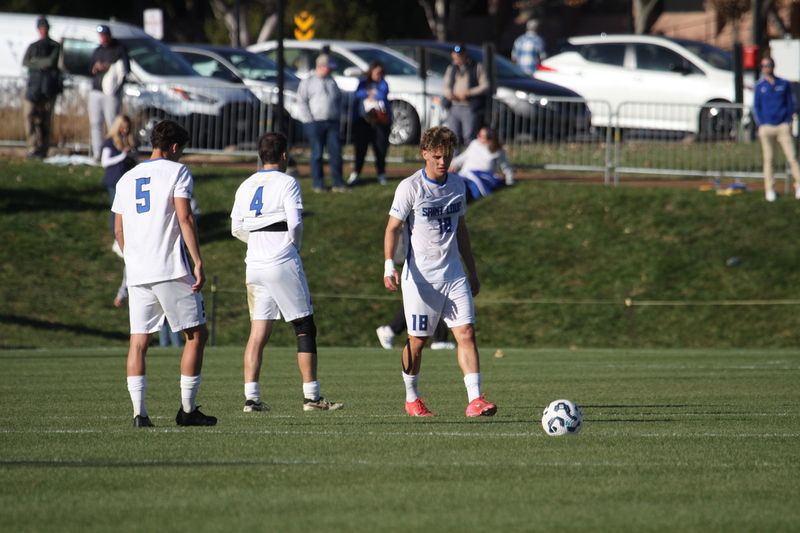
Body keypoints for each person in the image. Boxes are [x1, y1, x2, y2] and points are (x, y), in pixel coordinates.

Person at [383, 125, 497, 418]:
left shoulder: (458, 185)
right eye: (436, 156)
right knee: (417, 342)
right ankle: (412, 399)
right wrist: (388, 266)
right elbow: (393, 228)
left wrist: (472, 271)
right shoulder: (410, 187)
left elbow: (462, 231)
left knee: (467, 334)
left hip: (454, 275)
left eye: (447, 156)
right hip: (420, 279)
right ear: (424, 154)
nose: (443, 162)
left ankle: (475, 400)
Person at [112, 120, 216, 428]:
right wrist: (197, 260)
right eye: (181, 150)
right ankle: (187, 410)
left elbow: (118, 228)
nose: (181, 156)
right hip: (169, 266)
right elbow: (184, 217)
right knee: (196, 334)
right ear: (173, 147)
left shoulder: (127, 178)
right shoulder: (177, 171)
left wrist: (132, 257)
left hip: (138, 270)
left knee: (138, 342)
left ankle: (139, 414)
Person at [230, 132, 344, 413]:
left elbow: (236, 228)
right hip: (280, 259)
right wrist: (293, 246)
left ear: (260, 155)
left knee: (258, 331)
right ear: (284, 155)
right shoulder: (287, 181)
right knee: (303, 326)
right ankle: (312, 397)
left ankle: (251, 398)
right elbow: (294, 223)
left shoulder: (245, 184)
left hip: (253, 263)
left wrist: (257, 242)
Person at [297, 53, 348, 193]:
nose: (331, 70)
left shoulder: (332, 81)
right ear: (320, 66)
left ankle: (338, 183)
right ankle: (318, 184)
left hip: (332, 122)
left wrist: (338, 116)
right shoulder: (307, 82)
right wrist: (309, 119)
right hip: (315, 123)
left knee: (336, 153)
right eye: (328, 67)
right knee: (317, 154)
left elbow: (338, 99)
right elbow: (302, 101)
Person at [753, 57, 800, 202]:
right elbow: (756, 106)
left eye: (769, 65)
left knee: (792, 157)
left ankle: (798, 185)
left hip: (782, 126)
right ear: (761, 68)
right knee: (769, 159)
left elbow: (790, 103)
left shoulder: (784, 83)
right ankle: (770, 189)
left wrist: (787, 121)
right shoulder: (759, 86)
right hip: (766, 127)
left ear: (773, 66)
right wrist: (762, 123)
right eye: (764, 65)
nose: (767, 67)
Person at [22, 17, 62, 159]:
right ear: (38, 29)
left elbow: (51, 61)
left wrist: (36, 61)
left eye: (45, 28)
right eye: (41, 28)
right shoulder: (33, 46)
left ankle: (43, 149)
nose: (43, 30)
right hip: (33, 87)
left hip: (49, 89)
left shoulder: (55, 45)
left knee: (44, 120)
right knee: (29, 115)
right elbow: (26, 62)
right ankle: (32, 147)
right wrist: (40, 64)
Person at [90, 24, 130, 159]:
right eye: (101, 35)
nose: (103, 38)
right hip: (96, 90)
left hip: (112, 93)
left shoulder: (119, 50)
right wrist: (95, 68)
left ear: (109, 35)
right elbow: (90, 68)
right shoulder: (97, 50)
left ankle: (114, 151)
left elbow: (125, 71)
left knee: (113, 123)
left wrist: (109, 67)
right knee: (96, 123)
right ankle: (98, 153)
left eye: (105, 35)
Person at [348, 61, 391, 186]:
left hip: (379, 121)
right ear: (371, 72)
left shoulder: (383, 83)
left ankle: (381, 173)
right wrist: (369, 93)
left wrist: (374, 95)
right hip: (363, 121)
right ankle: (356, 173)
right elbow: (358, 93)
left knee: (380, 148)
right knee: (360, 148)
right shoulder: (363, 82)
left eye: (381, 73)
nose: (379, 75)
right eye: (377, 72)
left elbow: (383, 94)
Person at [101, 114, 138, 252]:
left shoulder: (130, 141)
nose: (125, 130)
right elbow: (105, 162)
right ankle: (117, 242)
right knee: (117, 212)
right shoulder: (110, 142)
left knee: (129, 212)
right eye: (122, 127)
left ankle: (127, 239)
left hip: (128, 181)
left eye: (127, 128)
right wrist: (122, 156)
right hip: (114, 181)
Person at [443, 43, 490, 147]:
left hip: (469, 106)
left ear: (465, 54)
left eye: (459, 57)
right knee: (453, 137)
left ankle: (471, 159)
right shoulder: (452, 68)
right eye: (455, 57)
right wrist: (448, 94)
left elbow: (485, 85)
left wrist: (469, 93)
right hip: (454, 106)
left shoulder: (476, 67)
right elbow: (445, 85)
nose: (457, 60)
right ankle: (455, 161)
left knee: (469, 135)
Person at [449, 126, 514, 200]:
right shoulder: (474, 144)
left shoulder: (498, 151)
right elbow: (463, 157)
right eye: (478, 134)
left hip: (482, 177)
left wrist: (510, 181)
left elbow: (506, 167)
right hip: (465, 174)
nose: (478, 136)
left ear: (489, 139)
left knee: (465, 187)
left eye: (481, 136)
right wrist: (453, 164)